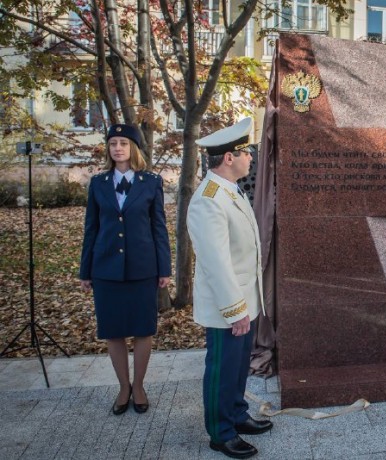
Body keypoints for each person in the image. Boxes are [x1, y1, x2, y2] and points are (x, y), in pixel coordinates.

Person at [187, 118, 272, 459]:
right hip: (228, 306)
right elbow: (216, 263)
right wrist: (236, 311)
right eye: (246, 153)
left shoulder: (228, 189)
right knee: (222, 367)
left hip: (243, 300)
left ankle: (236, 413)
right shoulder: (209, 199)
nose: (251, 158)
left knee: (238, 366)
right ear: (228, 158)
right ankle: (220, 432)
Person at [79, 123, 171, 415]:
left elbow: (159, 228)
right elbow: (90, 229)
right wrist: (85, 270)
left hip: (143, 268)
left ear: (134, 148)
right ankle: (123, 387)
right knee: (113, 331)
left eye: (123, 143)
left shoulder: (151, 182)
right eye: (112, 143)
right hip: (106, 269)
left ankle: (140, 385)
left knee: (144, 329)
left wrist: (164, 268)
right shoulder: (98, 183)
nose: (117, 148)